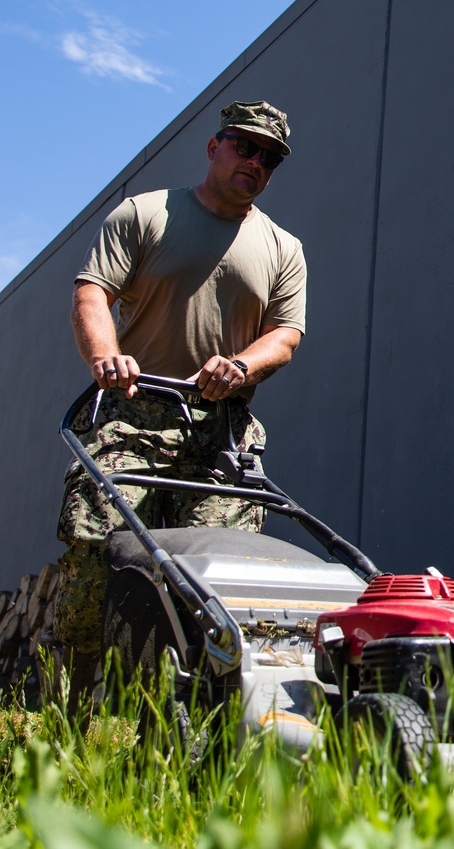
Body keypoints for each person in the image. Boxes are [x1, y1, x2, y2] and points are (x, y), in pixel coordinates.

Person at [53, 99, 306, 700]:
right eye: (246, 147)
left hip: (217, 433)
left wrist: (242, 365)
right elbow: (92, 295)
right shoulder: (146, 213)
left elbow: (286, 336)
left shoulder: (282, 246)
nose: (255, 163)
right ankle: (75, 716)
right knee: (97, 553)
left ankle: (200, 720)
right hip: (131, 417)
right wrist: (104, 357)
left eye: (269, 159)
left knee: (218, 577)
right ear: (215, 146)